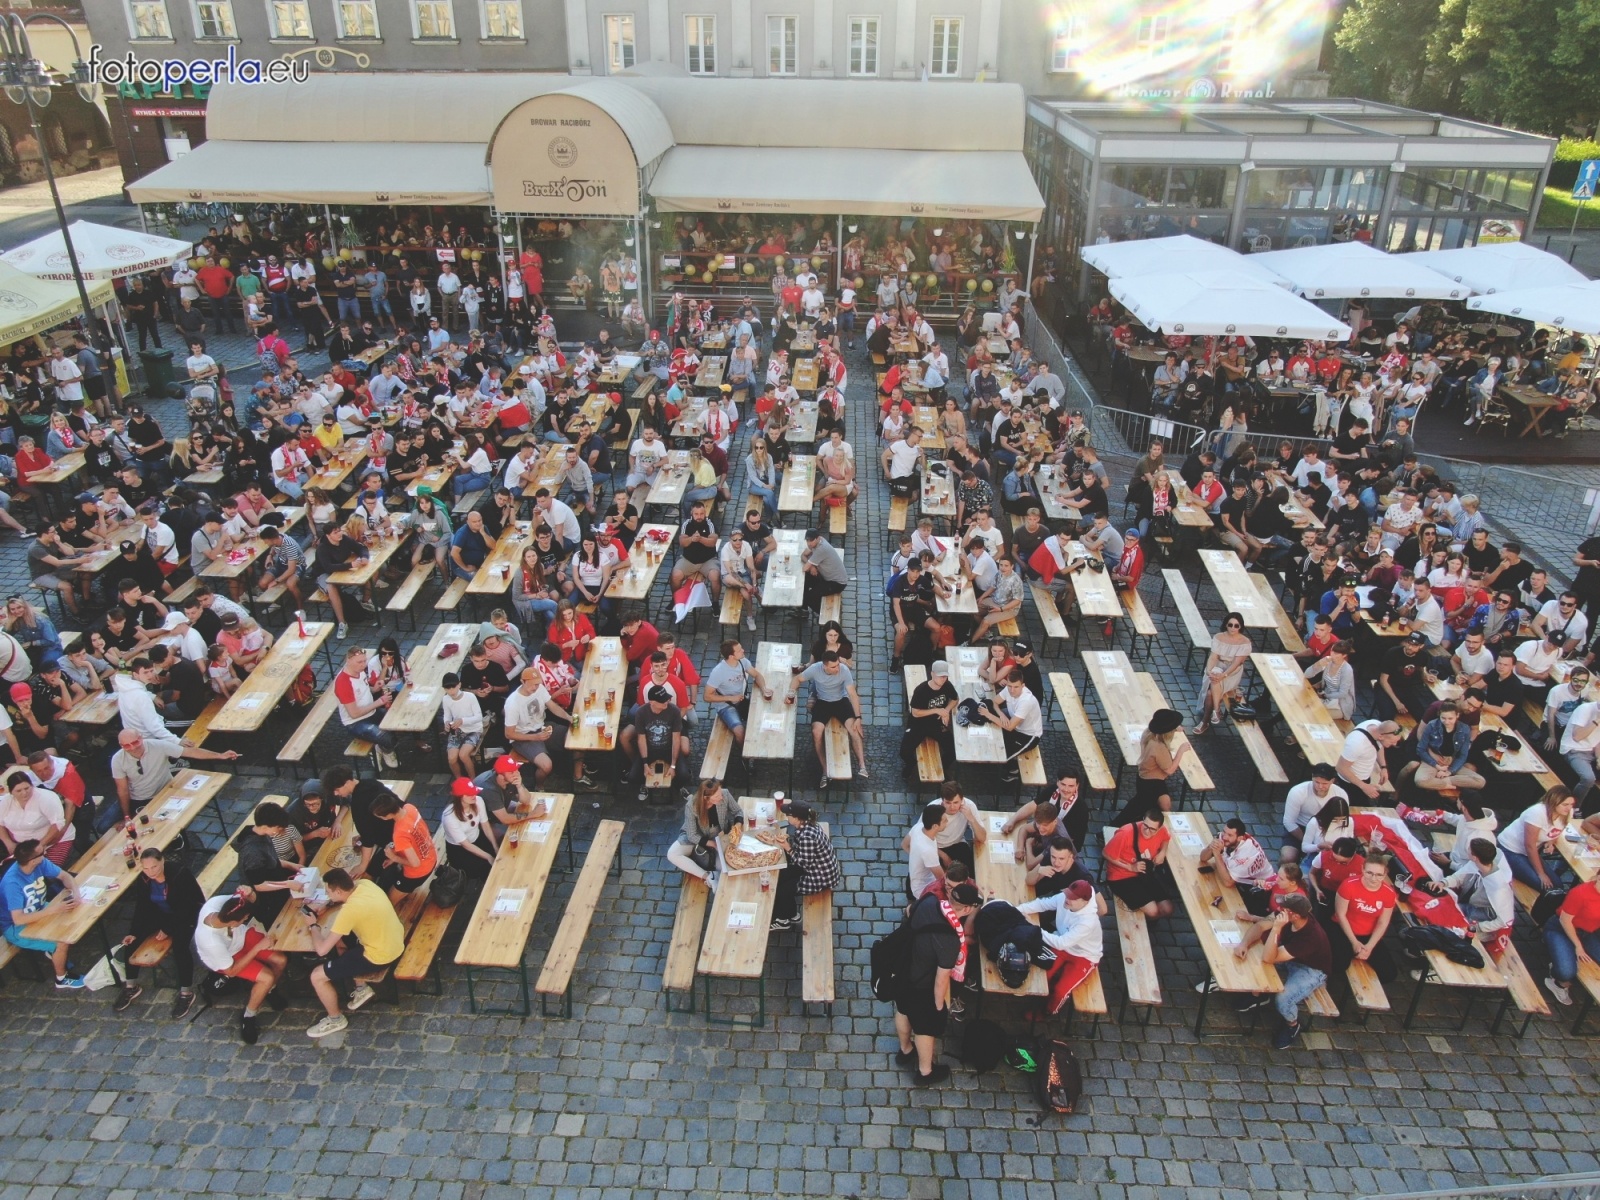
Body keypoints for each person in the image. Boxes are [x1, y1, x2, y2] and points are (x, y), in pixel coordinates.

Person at [892, 880, 980, 1087]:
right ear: (967, 909)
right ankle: (925, 1072)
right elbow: (941, 980)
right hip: (923, 984)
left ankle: (905, 1050)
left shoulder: (930, 901)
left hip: (905, 970)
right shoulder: (950, 940)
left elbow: (909, 911)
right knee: (925, 1028)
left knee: (903, 1010)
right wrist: (939, 1007)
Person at [304, 867, 406, 1039]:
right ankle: (360, 988)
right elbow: (344, 900)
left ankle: (335, 1019)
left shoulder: (350, 910)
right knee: (343, 940)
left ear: (338, 890)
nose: (328, 895)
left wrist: (312, 925)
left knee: (317, 976)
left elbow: (322, 950)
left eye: (329, 892)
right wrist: (328, 903)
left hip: (379, 955)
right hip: (394, 940)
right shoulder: (364, 884)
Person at [115, 847, 206, 1016]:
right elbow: (142, 907)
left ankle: (186, 992)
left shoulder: (179, 875)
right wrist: (133, 932)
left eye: (154, 867)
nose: (151, 872)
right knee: (132, 942)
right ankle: (130, 986)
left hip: (188, 915)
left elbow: (187, 907)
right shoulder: (144, 879)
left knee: (180, 947)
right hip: (162, 914)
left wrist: (167, 928)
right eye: (146, 868)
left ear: (162, 861)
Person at [1234, 892, 1330, 1049]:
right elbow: (1260, 926)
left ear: (1295, 915)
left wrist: (1276, 929)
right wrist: (1244, 944)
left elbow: (1269, 958)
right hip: (1292, 957)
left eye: (1283, 907)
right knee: (1254, 960)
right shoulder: (1285, 914)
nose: (1279, 909)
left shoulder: (1310, 937)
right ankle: (1257, 996)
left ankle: (1292, 1025)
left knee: (1283, 1000)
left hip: (1311, 969)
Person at [194, 888, 290, 1043]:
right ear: (233, 923)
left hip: (241, 939)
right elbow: (231, 971)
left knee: (281, 960)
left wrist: (249, 891)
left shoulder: (219, 905)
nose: (246, 920)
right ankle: (249, 1017)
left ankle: (270, 990)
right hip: (228, 960)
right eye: (244, 919)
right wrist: (258, 948)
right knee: (267, 978)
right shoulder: (211, 941)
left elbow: (248, 898)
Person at [0, 838, 85, 988]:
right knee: (61, 941)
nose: (45, 853)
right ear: (32, 860)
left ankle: (52, 952)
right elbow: (18, 919)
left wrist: (76, 893)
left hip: (39, 909)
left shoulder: (40, 863)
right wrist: (53, 909)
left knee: (71, 916)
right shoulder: (12, 883)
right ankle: (61, 978)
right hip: (16, 927)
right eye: (42, 852)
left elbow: (65, 876)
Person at [788, 650, 867, 786]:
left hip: (841, 701)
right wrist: (791, 692)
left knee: (854, 728)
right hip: (823, 702)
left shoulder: (843, 670)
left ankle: (862, 765)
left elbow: (852, 694)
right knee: (816, 732)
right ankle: (825, 770)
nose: (837, 668)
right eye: (833, 667)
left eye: (837, 665)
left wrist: (858, 717)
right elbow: (797, 679)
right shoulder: (815, 669)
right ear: (824, 666)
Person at [769, 799, 841, 933]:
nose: (786, 817)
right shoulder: (808, 825)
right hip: (818, 867)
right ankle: (791, 914)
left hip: (820, 877)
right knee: (781, 875)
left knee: (783, 890)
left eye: (788, 815)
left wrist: (788, 848)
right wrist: (788, 842)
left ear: (796, 818)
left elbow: (803, 863)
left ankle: (785, 919)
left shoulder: (807, 836)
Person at [1329, 852, 1400, 983]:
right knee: (1338, 966)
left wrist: (1370, 947)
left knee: (1389, 974)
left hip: (1368, 933)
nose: (1373, 878)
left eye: (1379, 875)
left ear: (1385, 875)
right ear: (1362, 869)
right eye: (1369, 873)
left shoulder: (1389, 893)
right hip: (1344, 929)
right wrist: (1354, 942)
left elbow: (1383, 922)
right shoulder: (1348, 885)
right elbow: (1340, 915)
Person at [1497, 786, 1577, 893]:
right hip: (1510, 849)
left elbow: (1557, 830)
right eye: (1565, 804)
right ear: (1553, 802)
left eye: (1571, 804)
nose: (1569, 808)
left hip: (1528, 852)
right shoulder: (1537, 813)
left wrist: (1551, 842)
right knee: (1546, 886)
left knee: (1558, 885)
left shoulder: (1566, 813)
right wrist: (1541, 873)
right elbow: (1529, 845)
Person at [1102, 807, 1175, 920]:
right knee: (1153, 911)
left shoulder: (1162, 831)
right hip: (1121, 877)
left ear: (1159, 828)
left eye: (1152, 829)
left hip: (1144, 873)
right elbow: (1106, 853)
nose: (1146, 831)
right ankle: (1149, 921)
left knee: (1168, 909)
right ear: (1143, 820)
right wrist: (1130, 867)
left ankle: (1150, 918)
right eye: (1145, 826)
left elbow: (1166, 838)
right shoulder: (1125, 833)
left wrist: (1163, 852)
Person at [368, 790, 437, 905]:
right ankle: (406, 892)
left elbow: (415, 863)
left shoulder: (399, 833)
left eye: (380, 817)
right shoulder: (409, 808)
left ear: (388, 816)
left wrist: (394, 857)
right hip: (431, 857)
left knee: (389, 902)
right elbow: (414, 839)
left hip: (418, 873)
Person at [1198, 818, 1279, 916]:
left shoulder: (1247, 855)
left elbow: (1228, 882)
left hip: (1259, 887)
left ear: (1240, 838)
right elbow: (1203, 858)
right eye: (1224, 832)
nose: (1224, 837)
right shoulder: (1226, 838)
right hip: (1239, 876)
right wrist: (1211, 847)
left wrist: (1217, 854)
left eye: (1230, 835)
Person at [667, 780, 743, 885]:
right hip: (697, 835)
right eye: (717, 796)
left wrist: (738, 824)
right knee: (672, 854)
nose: (721, 797)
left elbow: (738, 811)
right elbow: (692, 834)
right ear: (706, 798)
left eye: (720, 793)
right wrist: (711, 844)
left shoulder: (725, 793)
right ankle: (708, 876)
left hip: (719, 834)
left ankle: (715, 875)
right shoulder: (691, 806)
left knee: (725, 869)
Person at [1543, 872, 1600, 1008]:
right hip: (1561, 929)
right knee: (1566, 972)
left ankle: (1564, 957)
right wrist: (1578, 946)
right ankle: (1557, 982)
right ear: (1598, 877)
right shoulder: (1580, 893)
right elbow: (1565, 920)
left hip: (1587, 933)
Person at [978, 673, 1044, 786]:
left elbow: (1009, 727)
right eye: (1009, 686)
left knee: (1002, 756)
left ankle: (1013, 771)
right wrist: (1001, 715)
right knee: (994, 731)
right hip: (1013, 724)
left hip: (1028, 736)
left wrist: (988, 715)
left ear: (1023, 686)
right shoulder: (1008, 690)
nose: (1012, 690)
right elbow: (994, 702)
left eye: (1016, 687)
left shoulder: (1026, 701)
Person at [1194, 612, 1252, 735]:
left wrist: (1223, 675)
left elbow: (1236, 663)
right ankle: (1215, 711)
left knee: (1212, 690)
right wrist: (1209, 670)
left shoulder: (1245, 642)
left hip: (1232, 671)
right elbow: (1213, 657)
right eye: (1230, 624)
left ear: (1240, 626)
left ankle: (1206, 720)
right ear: (1226, 624)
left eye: (1236, 625)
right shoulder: (1219, 637)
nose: (1233, 628)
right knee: (1214, 679)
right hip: (1218, 666)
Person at [900, 659, 957, 777]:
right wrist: (937, 710)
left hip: (936, 724)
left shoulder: (947, 685)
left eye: (945, 676)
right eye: (940, 676)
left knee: (952, 751)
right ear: (932, 674)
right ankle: (910, 765)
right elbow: (915, 713)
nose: (943, 679)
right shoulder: (921, 690)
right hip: (918, 724)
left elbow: (955, 699)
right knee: (904, 752)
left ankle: (942, 768)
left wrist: (946, 711)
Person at [1281, 765, 1347, 862]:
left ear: (1332, 781)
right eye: (1317, 782)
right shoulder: (1298, 792)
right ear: (1312, 777)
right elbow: (1289, 822)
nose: (1320, 787)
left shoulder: (1340, 794)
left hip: (1326, 830)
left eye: (1325, 783)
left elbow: (1342, 820)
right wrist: (1308, 841)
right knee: (1287, 857)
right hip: (1300, 828)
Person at [440, 777, 499, 881]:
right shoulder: (449, 817)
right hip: (459, 850)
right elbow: (466, 845)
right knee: (485, 868)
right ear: (460, 797)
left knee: (499, 857)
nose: (474, 796)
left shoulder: (478, 801)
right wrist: (488, 856)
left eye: (474, 792)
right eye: (469, 794)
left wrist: (495, 847)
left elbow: (485, 825)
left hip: (477, 838)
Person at [1334, 719, 1401, 801]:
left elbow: (1379, 746)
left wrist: (1383, 767)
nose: (1395, 744)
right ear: (1381, 736)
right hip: (1351, 782)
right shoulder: (1357, 744)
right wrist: (1364, 786)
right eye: (1392, 742)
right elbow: (1341, 768)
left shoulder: (1378, 726)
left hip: (1364, 776)